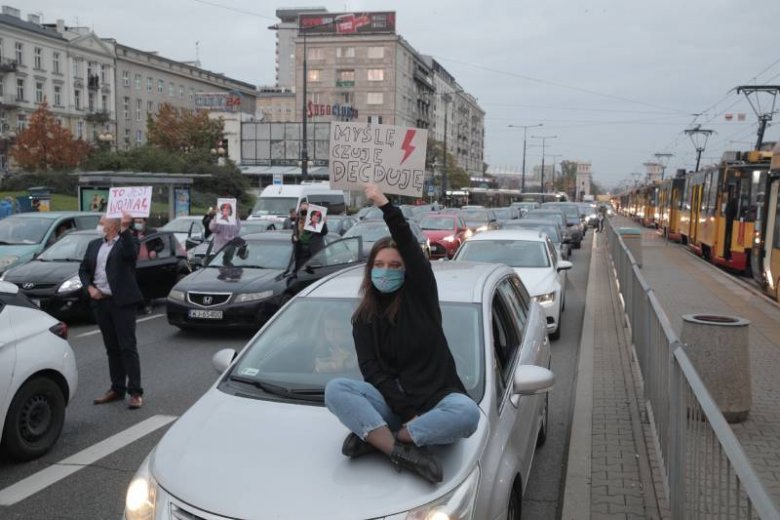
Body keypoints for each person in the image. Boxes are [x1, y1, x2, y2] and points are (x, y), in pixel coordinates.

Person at [324, 184, 480, 484]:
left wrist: (385, 205)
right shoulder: (363, 319)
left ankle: (379, 439)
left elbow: (409, 244)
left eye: (395, 265)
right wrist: (406, 412)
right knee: (336, 389)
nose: (386, 270)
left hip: (438, 401)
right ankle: (401, 451)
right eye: (379, 265)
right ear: (370, 271)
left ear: (407, 271)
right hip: (392, 404)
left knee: (467, 414)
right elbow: (373, 373)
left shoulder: (421, 298)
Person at [78, 213, 145, 410]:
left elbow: (130, 255)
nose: (99, 225)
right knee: (112, 348)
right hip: (100, 303)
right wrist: (90, 289)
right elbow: (83, 270)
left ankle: (135, 392)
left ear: (113, 226)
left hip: (122, 303)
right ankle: (117, 388)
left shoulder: (127, 241)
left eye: (102, 222)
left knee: (127, 347)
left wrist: (125, 227)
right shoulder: (94, 245)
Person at [314, 309, 358, 374]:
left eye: (336, 329)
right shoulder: (319, 349)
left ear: (347, 329)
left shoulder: (357, 348)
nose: (331, 334)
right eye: (327, 329)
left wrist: (345, 365)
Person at [132, 218, 158, 314]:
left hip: (147, 262)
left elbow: (160, 244)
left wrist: (154, 250)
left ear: (145, 222)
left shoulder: (152, 232)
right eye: (136, 222)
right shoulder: (132, 233)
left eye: (140, 222)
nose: (137, 224)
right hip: (135, 263)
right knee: (135, 284)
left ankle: (147, 304)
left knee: (146, 284)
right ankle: (136, 305)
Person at [292, 201, 328, 271]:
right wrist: (294, 238)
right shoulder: (298, 221)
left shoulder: (316, 220)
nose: (304, 211)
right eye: (302, 209)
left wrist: (324, 223)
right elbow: (294, 234)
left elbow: (324, 232)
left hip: (314, 254)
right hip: (301, 254)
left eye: (306, 209)